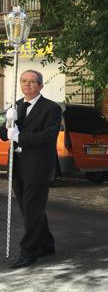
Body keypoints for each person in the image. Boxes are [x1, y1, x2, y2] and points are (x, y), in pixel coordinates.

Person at [0, 70, 61, 269]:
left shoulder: (51, 108)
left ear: (40, 86)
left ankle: (29, 251)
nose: (27, 85)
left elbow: (47, 137)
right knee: (29, 210)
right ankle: (46, 244)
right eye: (24, 81)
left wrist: (19, 136)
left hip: (38, 167)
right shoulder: (16, 106)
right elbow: (4, 135)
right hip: (17, 166)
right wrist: (7, 120)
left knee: (33, 210)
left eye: (32, 82)